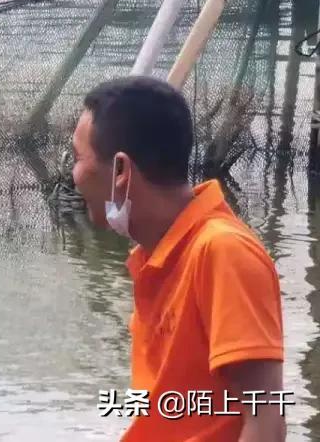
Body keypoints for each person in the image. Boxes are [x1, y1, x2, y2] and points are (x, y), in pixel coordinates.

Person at [70, 76, 286, 442]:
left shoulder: (222, 252)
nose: (73, 175)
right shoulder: (156, 255)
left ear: (121, 171)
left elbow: (266, 417)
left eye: (77, 158)